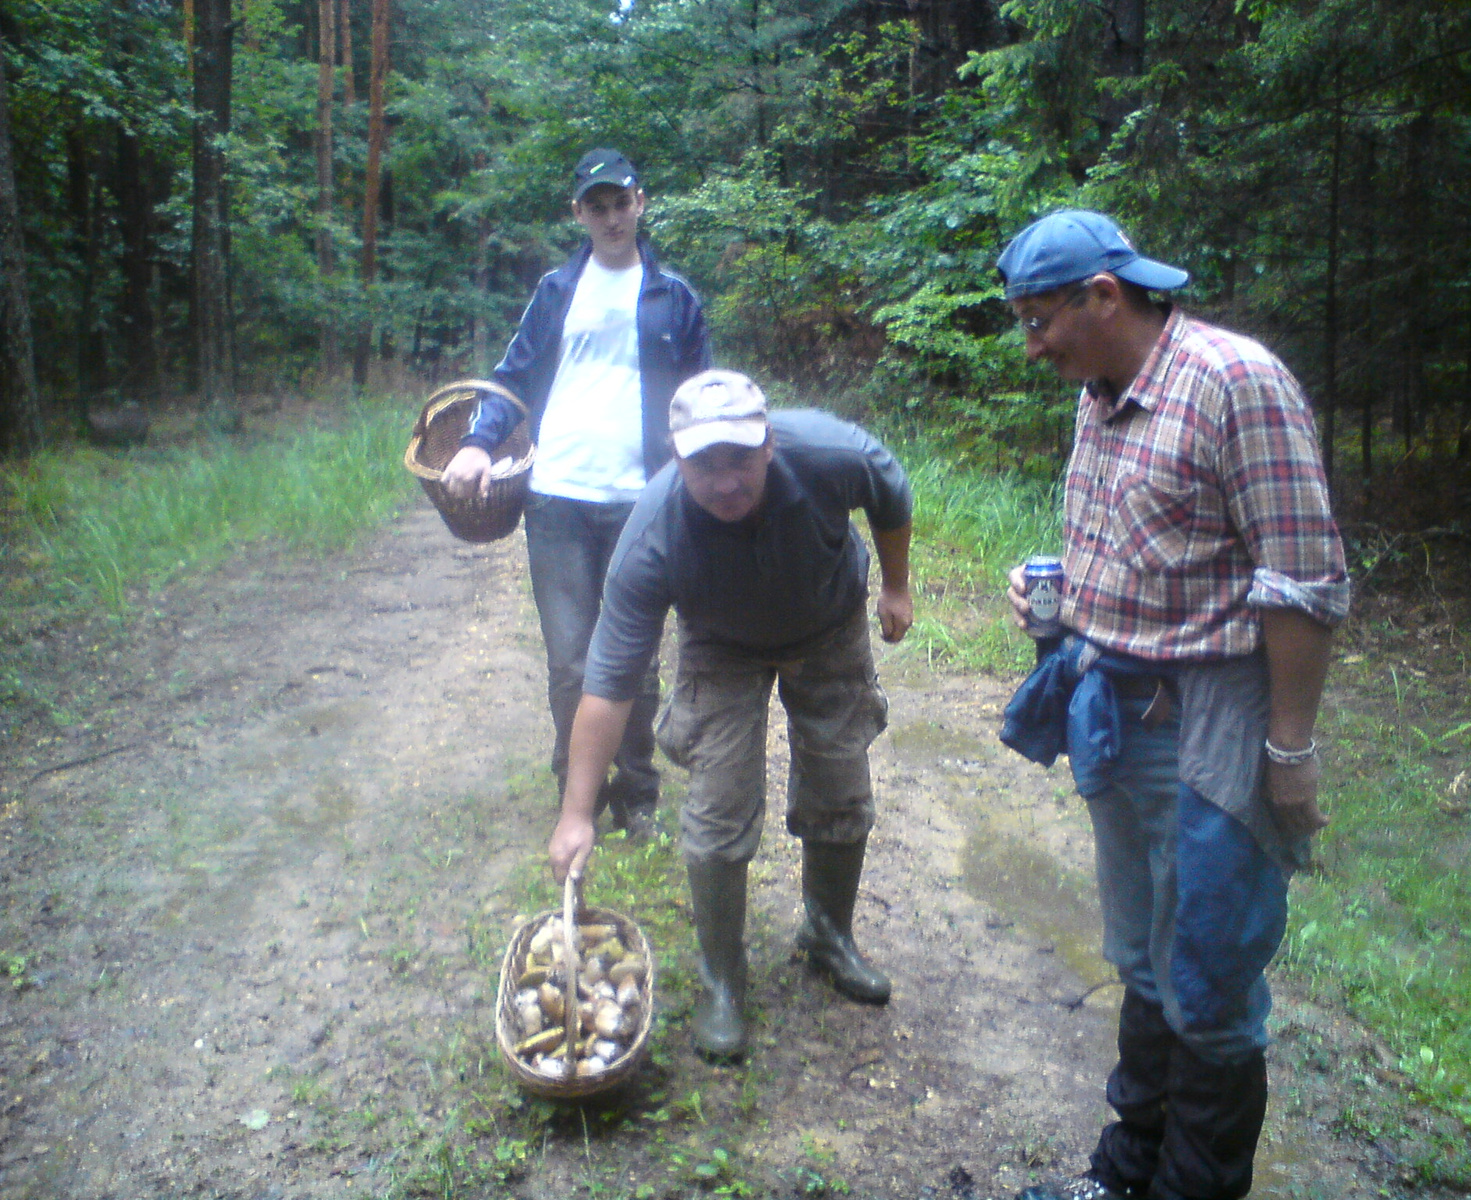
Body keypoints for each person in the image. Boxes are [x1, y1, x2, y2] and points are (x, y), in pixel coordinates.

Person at [995, 211, 1348, 1200]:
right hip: (1115, 713)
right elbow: (1153, 544)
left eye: (1038, 321)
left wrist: (1288, 751)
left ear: (1101, 297)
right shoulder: (1099, 394)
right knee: (1144, 962)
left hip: (1214, 728)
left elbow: (1302, 582)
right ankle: (1122, 1176)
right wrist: (1054, 587)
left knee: (1207, 985)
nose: (1032, 346)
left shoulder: (1236, 385)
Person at [546, 369, 914, 1061]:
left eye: (739, 459)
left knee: (840, 779)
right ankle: (722, 981)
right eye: (703, 464)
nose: (725, 482)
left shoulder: (833, 453)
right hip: (720, 642)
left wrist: (896, 585)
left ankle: (828, 934)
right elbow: (608, 684)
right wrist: (576, 810)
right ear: (676, 459)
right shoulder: (653, 533)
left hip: (828, 621)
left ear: (769, 444)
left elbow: (890, 489)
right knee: (718, 803)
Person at [441, 148, 710, 837]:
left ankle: (638, 790)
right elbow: (514, 376)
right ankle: (578, 788)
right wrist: (477, 442)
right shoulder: (557, 292)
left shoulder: (673, 295)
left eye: (622, 202)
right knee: (569, 660)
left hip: (642, 500)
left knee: (637, 658)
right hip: (556, 496)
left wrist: (702, 479)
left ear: (641, 203)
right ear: (579, 214)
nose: (612, 216)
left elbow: (698, 400)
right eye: (598, 205)